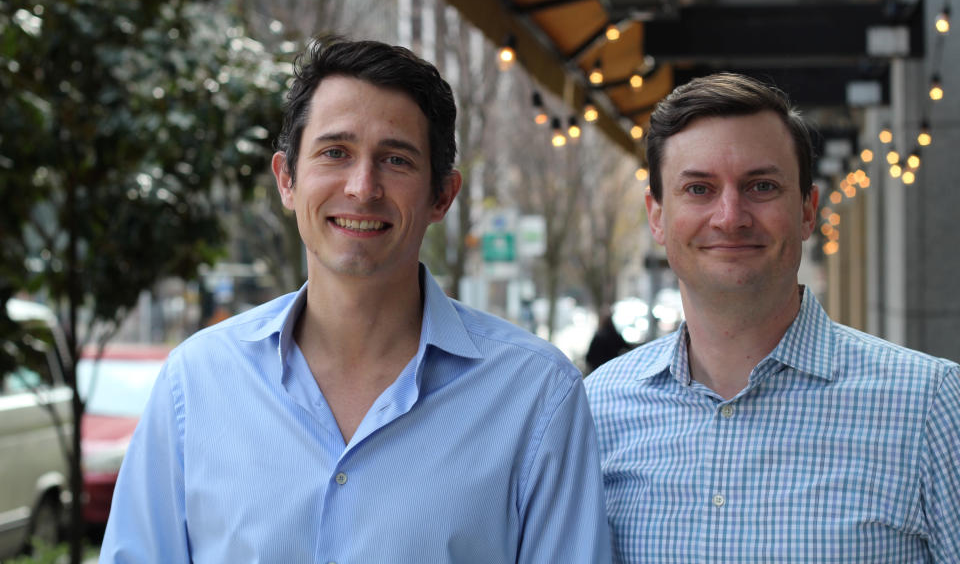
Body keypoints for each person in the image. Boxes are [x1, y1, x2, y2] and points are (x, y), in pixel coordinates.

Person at [100, 38, 611, 563]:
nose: (363, 187)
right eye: (334, 153)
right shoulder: (196, 383)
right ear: (286, 180)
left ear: (442, 196)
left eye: (396, 159)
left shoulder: (535, 395)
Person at [585, 73, 960, 563]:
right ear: (657, 216)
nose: (730, 216)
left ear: (808, 211)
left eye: (761, 186)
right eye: (699, 189)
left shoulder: (932, 407)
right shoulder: (594, 412)